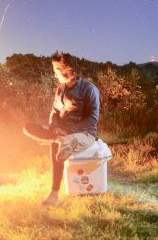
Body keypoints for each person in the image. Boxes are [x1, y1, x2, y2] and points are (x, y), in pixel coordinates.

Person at [23, 52, 100, 206]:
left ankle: (54, 195)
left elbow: (92, 119)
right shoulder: (60, 89)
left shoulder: (89, 89)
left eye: (56, 70)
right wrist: (55, 127)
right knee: (28, 127)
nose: (55, 74)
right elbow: (54, 112)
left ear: (67, 69)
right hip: (60, 131)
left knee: (65, 141)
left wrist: (68, 130)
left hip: (84, 134)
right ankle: (57, 139)